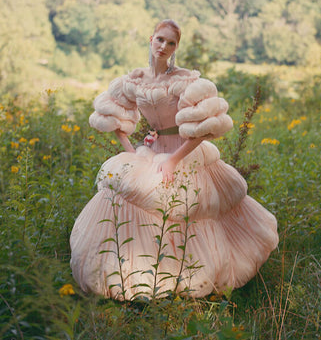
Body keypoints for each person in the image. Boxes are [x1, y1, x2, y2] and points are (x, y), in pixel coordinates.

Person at [70, 20, 278, 300]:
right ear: (151, 39)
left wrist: (173, 160)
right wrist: (130, 151)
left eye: (171, 43)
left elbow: (205, 128)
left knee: (184, 210)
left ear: (176, 47)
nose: (163, 47)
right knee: (129, 203)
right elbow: (114, 114)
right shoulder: (134, 80)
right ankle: (137, 277)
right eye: (160, 40)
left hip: (183, 154)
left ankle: (185, 278)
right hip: (150, 152)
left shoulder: (185, 81)